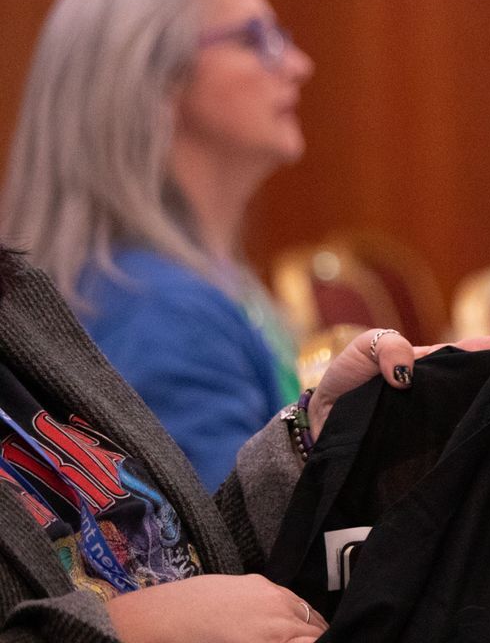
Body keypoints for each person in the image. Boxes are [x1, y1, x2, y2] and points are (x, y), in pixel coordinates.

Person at [1, 0, 313, 486]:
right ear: (153, 76)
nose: (297, 64)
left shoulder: (178, 283)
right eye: (255, 38)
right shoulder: (161, 311)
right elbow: (235, 553)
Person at [0, 250, 434, 642]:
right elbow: (178, 611)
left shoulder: (16, 308)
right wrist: (129, 629)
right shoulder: (157, 300)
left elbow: (180, 564)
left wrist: (319, 438)